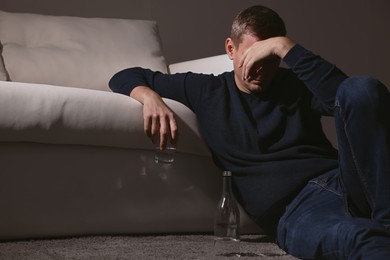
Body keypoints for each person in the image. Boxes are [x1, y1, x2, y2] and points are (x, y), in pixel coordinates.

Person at [109, 5, 390, 259]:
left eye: (269, 59)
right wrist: (149, 97)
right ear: (230, 49)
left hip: (346, 180)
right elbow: (124, 76)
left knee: (362, 87)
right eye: (251, 56)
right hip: (297, 211)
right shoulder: (206, 90)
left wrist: (286, 47)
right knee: (360, 240)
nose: (260, 69)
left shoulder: (295, 85)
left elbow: (348, 98)